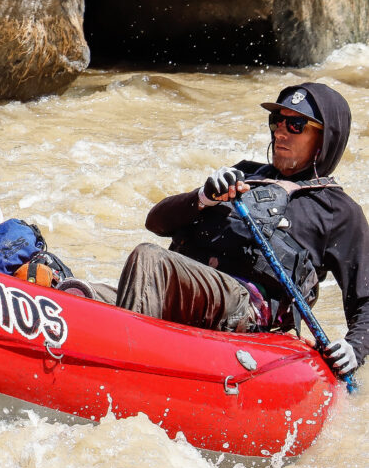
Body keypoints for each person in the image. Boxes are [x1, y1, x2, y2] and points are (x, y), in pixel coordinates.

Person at [113, 82, 369, 375]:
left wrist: (355, 347)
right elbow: (155, 223)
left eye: (296, 124)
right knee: (85, 293)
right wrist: (203, 198)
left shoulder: (339, 211)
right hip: (190, 290)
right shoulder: (243, 174)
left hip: (244, 308)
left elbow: (365, 298)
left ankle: (123, 371)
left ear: (325, 138)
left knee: (149, 258)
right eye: (277, 121)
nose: (280, 131)